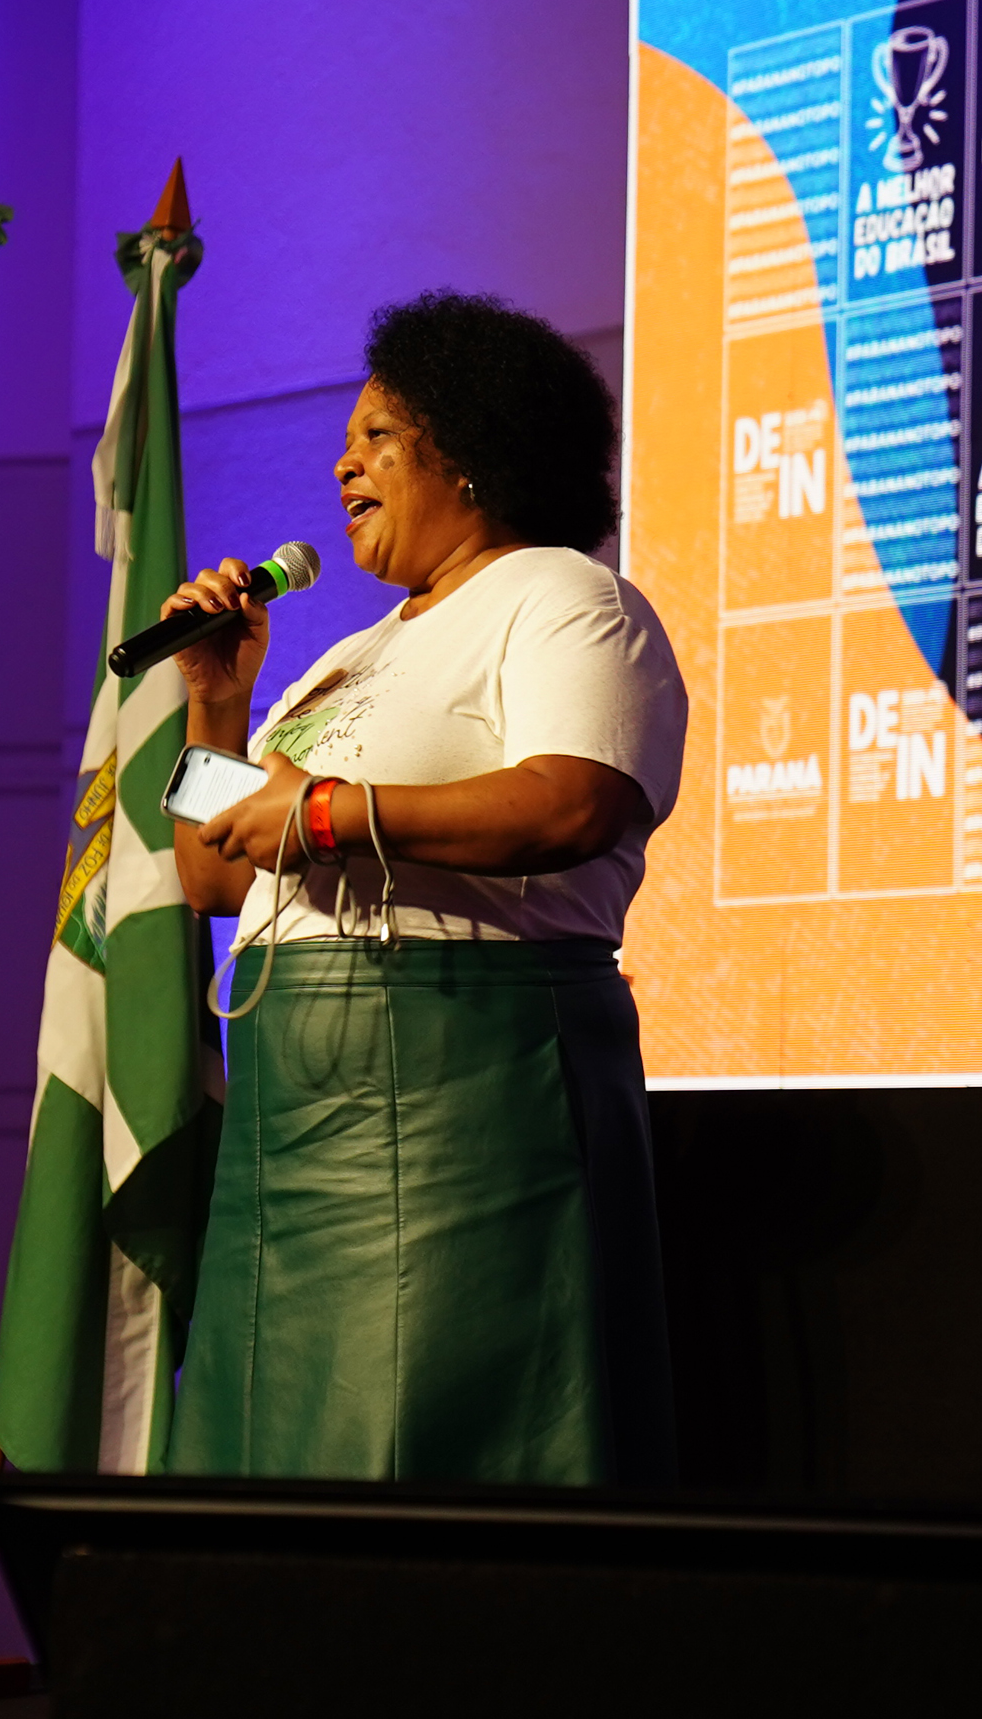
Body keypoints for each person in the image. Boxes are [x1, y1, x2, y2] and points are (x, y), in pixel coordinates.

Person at [156, 288, 687, 1489]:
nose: (343, 463)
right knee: (272, 1459)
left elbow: (573, 801)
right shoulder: (347, 656)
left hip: (461, 1100)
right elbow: (208, 871)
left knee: (439, 1448)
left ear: (472, 449)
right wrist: (218, 705)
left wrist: (328, 813)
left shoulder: (566, 598)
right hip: (293, 1121)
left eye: (378, 435)